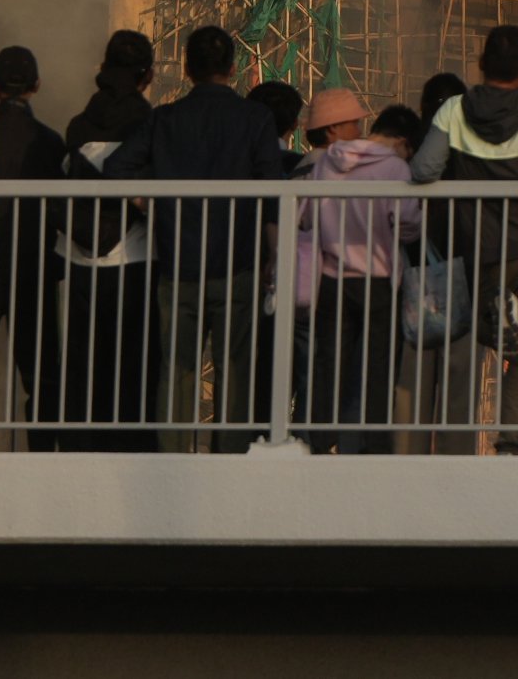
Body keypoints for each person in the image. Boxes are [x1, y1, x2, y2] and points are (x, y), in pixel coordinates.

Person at [108, 24, 294, 450]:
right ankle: (228, 456)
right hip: (238, 262)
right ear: (232, 67)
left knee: (177, 368)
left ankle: (173, 457)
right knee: (235, 367)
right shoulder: (255, 119)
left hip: (179, 263)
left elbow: (118, 167)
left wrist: (151, 205)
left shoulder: (166, 119)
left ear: (188, 69)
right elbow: (272, 190)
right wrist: (272, 255)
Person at [409, 22, 518, 451]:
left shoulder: (452, 111)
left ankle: (493, 322)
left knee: (473, 329)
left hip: (474, 248)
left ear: (480, 65)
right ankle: (515, 441)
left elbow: (423, 170)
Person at [52, 29, 157, 448]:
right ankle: (128, 448)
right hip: (133, 256)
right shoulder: (148, 124)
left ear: (103, 70)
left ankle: (78, 445)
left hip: (79, 257)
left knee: (81, 362)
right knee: (131, 363)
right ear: (145, 75)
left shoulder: (78, 125)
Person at [295, 89, 414, 455]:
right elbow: (409, 223)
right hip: (378, 280)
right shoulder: (395, 167)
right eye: (353, 121)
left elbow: (309, 217)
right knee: (376, 371)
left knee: (329, 365)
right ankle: (372, 447)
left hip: (331, 279)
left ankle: (319, 442)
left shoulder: (323, 164)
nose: (359, 126)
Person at [0, 46, 65, 441]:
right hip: (35, 266)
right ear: (36, 86)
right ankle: (44, 450)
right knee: (42, 373)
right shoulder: (50, 143)